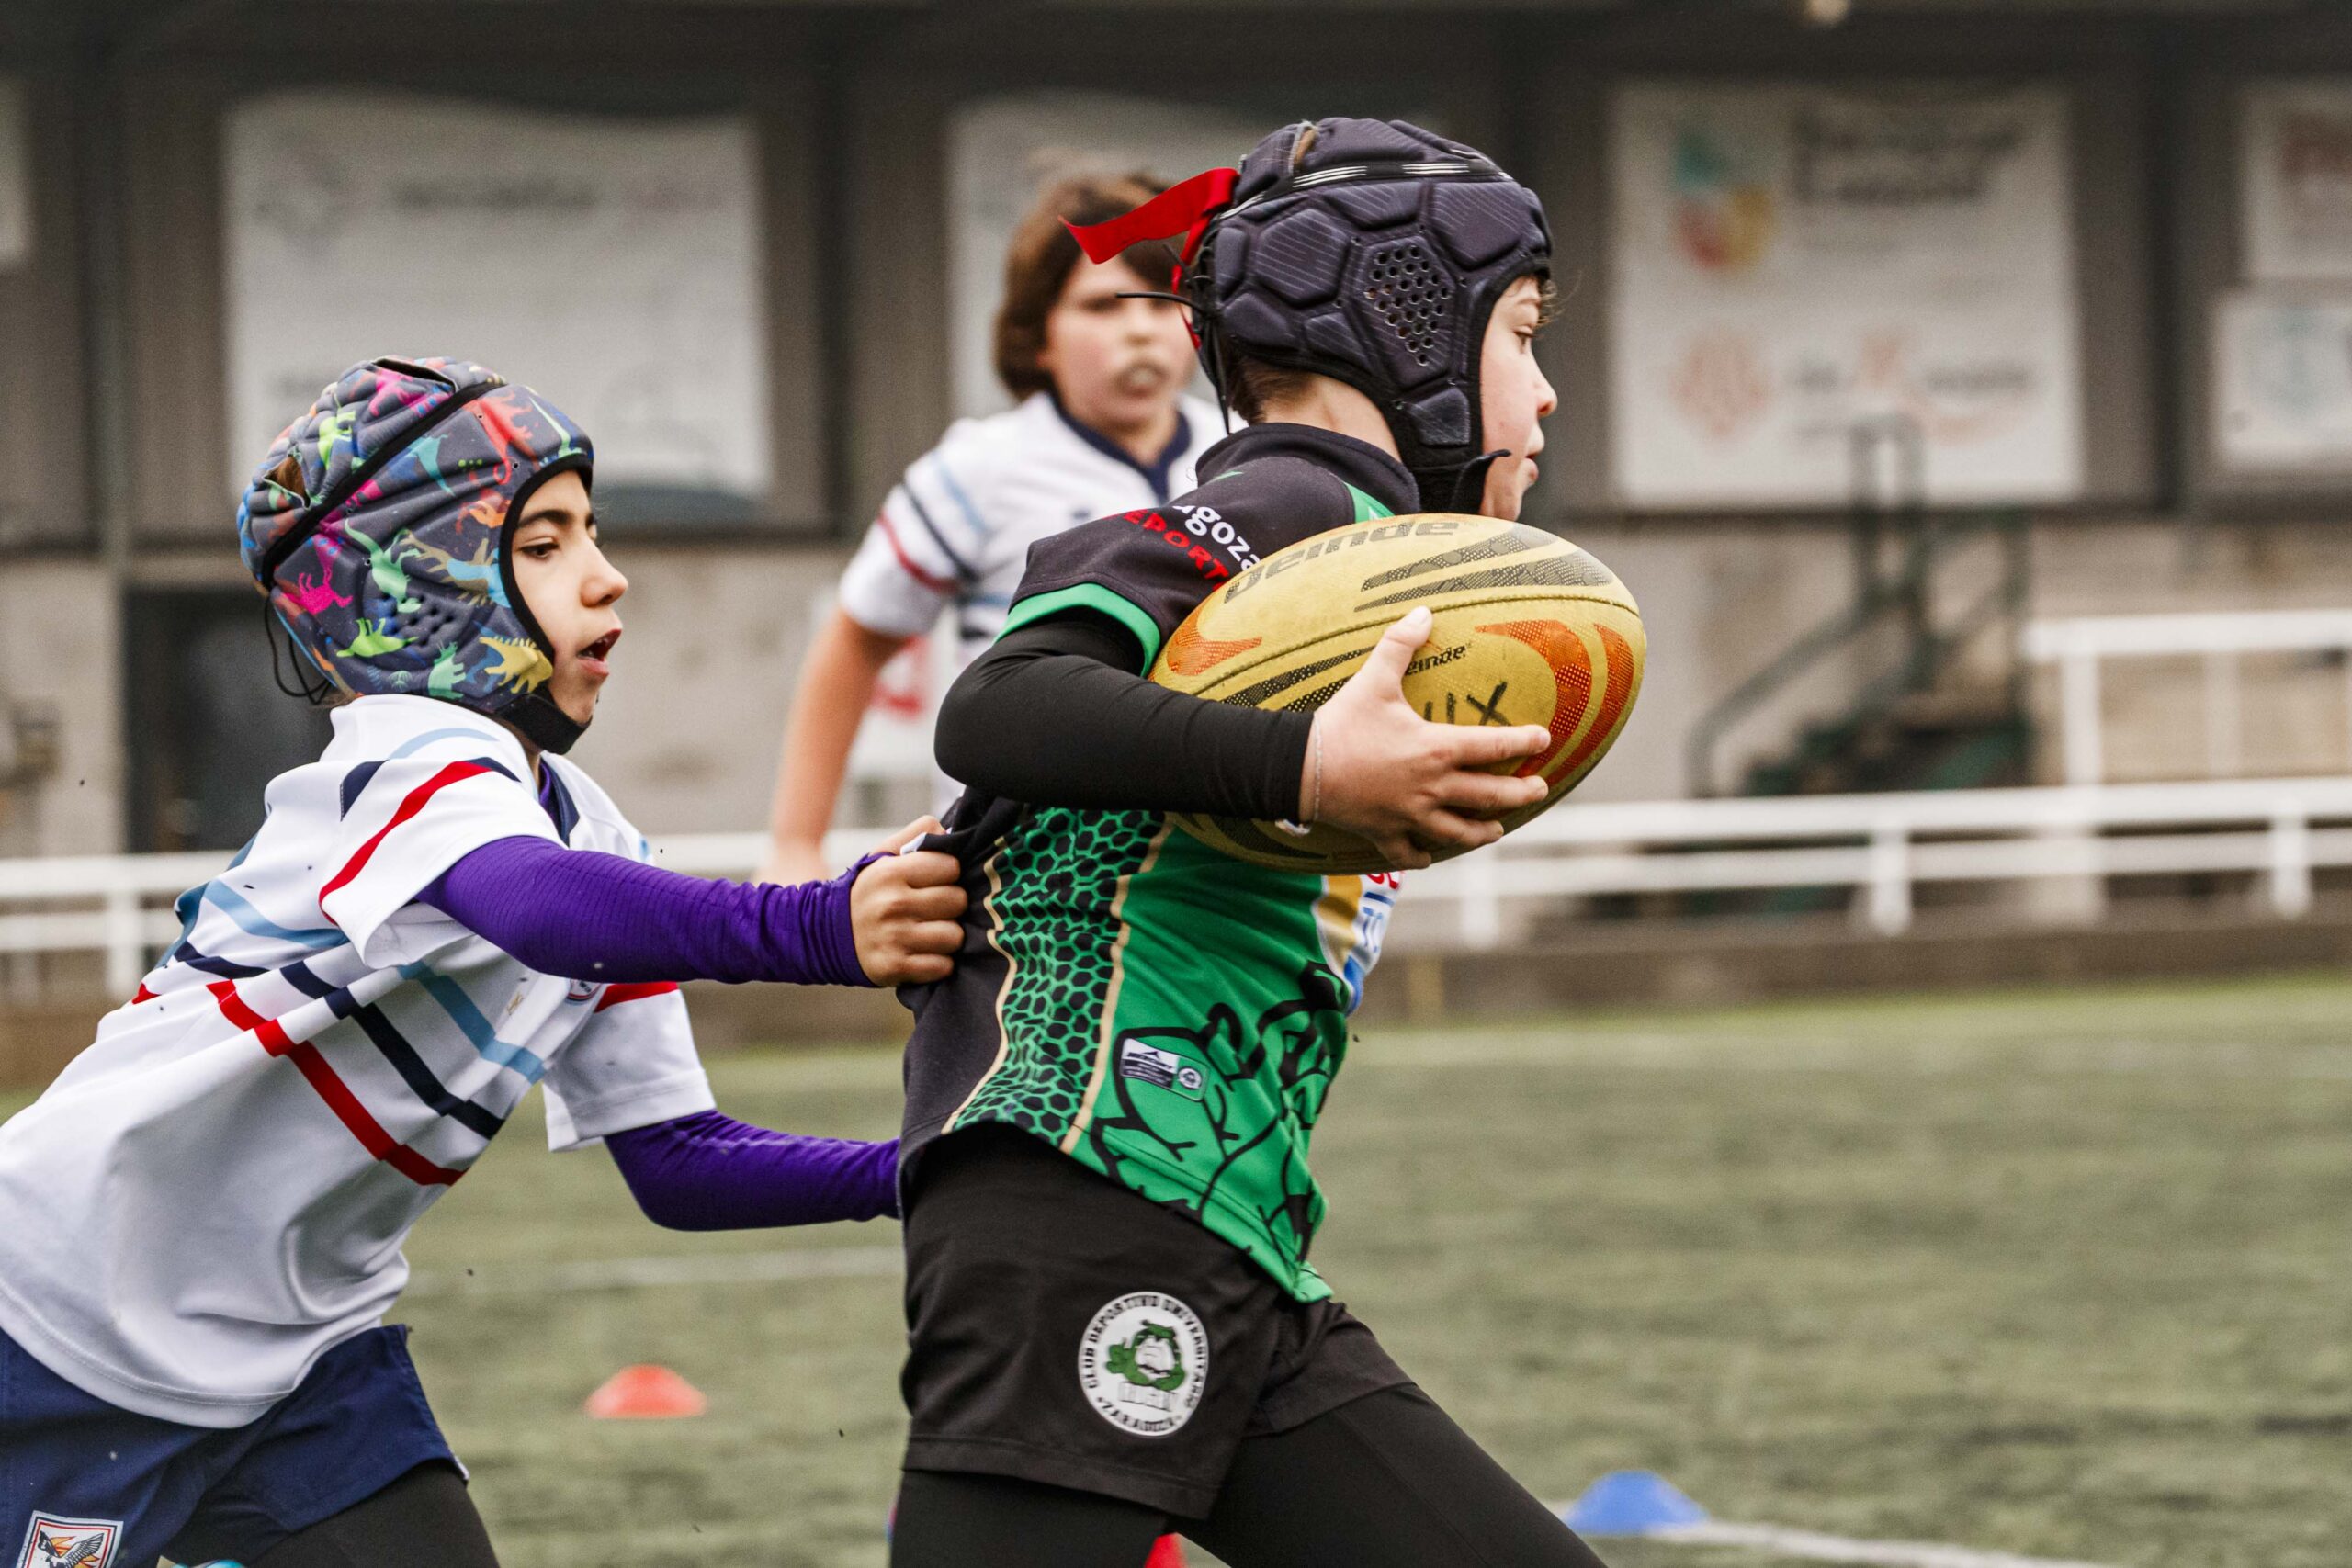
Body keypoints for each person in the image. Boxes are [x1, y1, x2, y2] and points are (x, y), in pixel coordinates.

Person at [0, 358, 963, 1568]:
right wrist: (821, 924)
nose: (609, 575)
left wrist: (935, 1168)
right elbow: (532, 903)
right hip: (52, 1327)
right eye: (549, 541)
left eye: (593, 533)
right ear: (424, 583)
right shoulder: (406, 758)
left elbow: (680, 1161)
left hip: (299, 1364)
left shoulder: (589, 830)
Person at [884, 119, 1614, 1567]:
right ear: (1409, 320)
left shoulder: (1378, 549)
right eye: (1523, 333)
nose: (1546, 392)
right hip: (1092, 1191)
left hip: (1219, 1224)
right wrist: (1308, 763)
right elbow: (1001, 698)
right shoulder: (1300, 507)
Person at [762, 172, 1220, 883]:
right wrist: (795, 843)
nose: (1139, 327)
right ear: (1037, 337)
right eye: (1102, 305)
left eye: (1161, 301)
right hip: (1022, 876)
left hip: (1209, 868)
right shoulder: (977, 469)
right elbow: (857, 635)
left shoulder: (1246, 453)